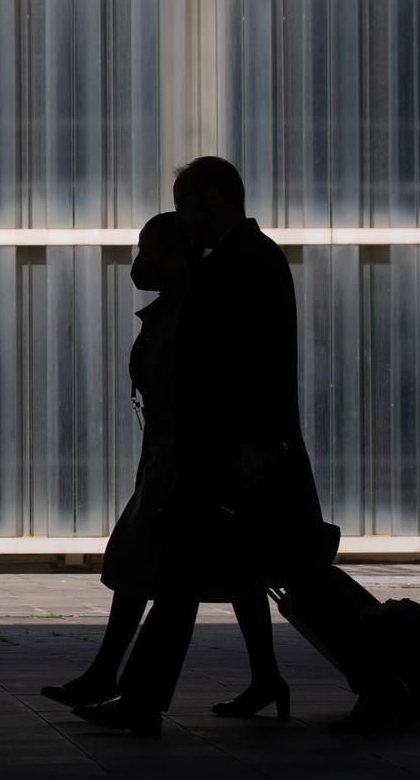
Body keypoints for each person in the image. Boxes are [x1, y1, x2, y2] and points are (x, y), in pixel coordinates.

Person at [75, 157, 324, 736]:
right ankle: (253, 681)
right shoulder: (242, 259)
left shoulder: (244, 263)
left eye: (188, 202)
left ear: (215, 197)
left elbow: (251, 364)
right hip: (225, 452)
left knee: (190, 575)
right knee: (232, 573)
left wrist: (256, 444)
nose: (184, 216)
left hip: (227, 455)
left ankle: (137, 697)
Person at [43, 212, 290, 719]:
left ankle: (121, 685)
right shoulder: (181, 307)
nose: (139, 262)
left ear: (176, 255)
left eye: (147, 250)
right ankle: (261, 679)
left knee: (151, 569)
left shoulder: (195, 312)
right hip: (173, 459)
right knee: (227, 572)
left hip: (185, 466)